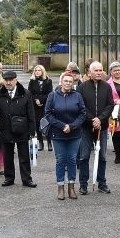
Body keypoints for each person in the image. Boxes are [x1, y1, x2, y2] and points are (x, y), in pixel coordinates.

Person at [0, 70, 37, 188]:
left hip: (22, 129)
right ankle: (9, 178)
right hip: (6, 129)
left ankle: (27, 179)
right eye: (6, 80)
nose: (8, 82)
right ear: (3, 81)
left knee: (24, 157)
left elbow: (31, 113)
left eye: (11, 80)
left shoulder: (26, 93)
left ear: (16, 80)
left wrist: (31, 131)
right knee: (7, 156)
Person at [45, 72, 87, 200]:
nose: (68, 83)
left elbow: (82, 114)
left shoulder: (77, 96)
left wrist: (72, 126)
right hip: (58, 134)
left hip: (75, 134)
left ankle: (71, 187)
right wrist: (62, 126)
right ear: (61, 82)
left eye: (70, 81)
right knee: (60, 160)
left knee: (73, 160)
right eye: (66, 81)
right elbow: (48, 114)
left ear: (73, 83)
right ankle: (60, 187)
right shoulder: (52, 96)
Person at [78, 61, 115, 194]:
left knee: (102, 156)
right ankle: (83, 184)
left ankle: (101, 182)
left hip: (102, 127)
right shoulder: (82, 87)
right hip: (86, 127)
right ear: (90, 72)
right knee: (84, 156)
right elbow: (81, 106)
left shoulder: (106, 87)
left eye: (101, 70)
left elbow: (110, 105)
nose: (99, 73)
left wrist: (100, 119)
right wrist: (92, 119)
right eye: (96, 71)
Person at [28, 64, 53, 152]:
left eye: (39, 70)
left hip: (45, 105)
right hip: (35, 106)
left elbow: (50, 93)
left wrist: (41, 100)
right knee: (37, 124)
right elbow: (29, 93)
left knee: (46, 123)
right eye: (36, 70)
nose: (37, 72)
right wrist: (36, 100)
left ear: (42, 71)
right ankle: (40, 142)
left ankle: (49, 142)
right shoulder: (32, 81)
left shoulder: (48, 81)